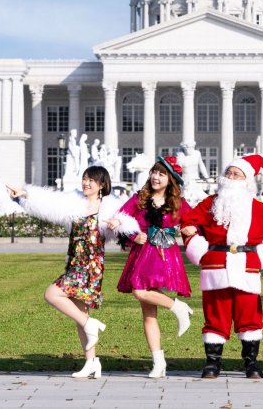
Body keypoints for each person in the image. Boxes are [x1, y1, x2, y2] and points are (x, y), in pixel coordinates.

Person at [8, 165, 129, 379]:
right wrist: (26, 195)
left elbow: (128, 225)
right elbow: (50, 203)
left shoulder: (110, 207)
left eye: (91, 180)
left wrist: (119, 224)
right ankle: (92, 361)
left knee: (51, 294)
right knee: (80, 314)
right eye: (84, 179)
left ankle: (91, 326)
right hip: (75, 262)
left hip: (90, 266)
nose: (86, 183)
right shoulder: (73, 202)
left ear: (102, 184)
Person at [180, 154, 263, 379]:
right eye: (228, 172)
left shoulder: (258, 208)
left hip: (247, 266)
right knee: (215, 314)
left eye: (236, 174)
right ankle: (212, 363)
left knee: (249, 315)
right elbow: (188, 222)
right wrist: (198, 247)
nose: (230, 177)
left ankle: (251, 362)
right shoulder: (211, 203)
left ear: (246, 180)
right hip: (215, 265)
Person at [106, 156, 195, 378]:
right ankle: (158, 361)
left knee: (140, 291)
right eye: (154, 172)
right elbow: (121, 218)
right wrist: (129, 233)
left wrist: (188, 229)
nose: (155, 177)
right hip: (142, 254)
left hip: (164, 255)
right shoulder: (139, 199)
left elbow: (193, 222)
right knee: (147, 313)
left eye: (161, 174)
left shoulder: (178, 204)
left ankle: (177, 307)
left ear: (171, 180)